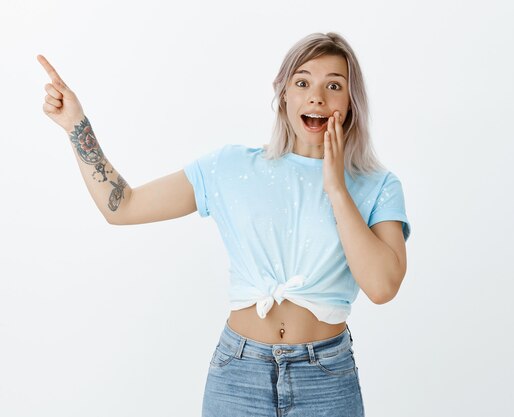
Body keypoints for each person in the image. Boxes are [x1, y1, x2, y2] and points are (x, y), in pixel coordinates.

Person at [37, 31, 410, 417]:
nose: (316, 96)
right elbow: (123, 207)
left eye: (334, 85)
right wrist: (76, 124)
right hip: (239, 376)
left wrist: (335, 188)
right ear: (283, 94)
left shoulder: (376, 185)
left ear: (351, 101)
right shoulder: (230, 167)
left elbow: (382, 287)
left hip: (326, 379)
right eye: (302, 82)